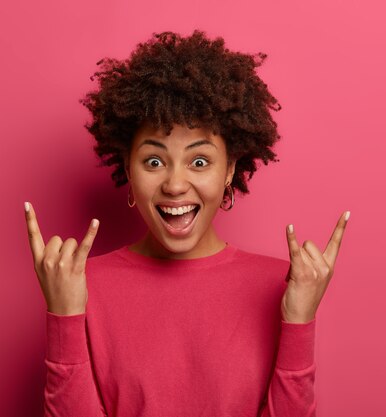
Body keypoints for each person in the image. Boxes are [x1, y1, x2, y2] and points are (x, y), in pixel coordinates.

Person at [23, 30, 350, 417]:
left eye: (199, 162)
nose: (175, 185)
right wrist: (64, 315)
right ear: (129, 168)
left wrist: (299, 321)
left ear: (229, 169)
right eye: (154, 161)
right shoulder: (80, 285)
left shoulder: (283, 287)